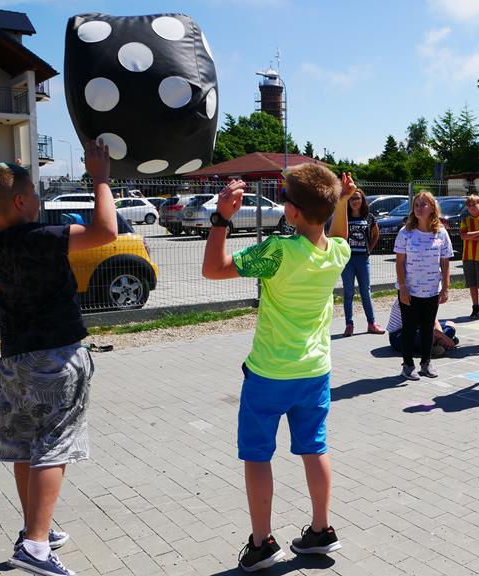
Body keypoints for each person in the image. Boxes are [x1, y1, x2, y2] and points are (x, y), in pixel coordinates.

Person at [0, 141, 118, 576]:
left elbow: (12, 208)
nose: (40, 198)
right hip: (56, 357)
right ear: (19, 201)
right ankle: (36, 547)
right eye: (34, 192)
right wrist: (101, 176)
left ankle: (34, 527)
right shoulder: (42, 239)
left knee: (24, 446)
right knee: (53, 448)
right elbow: (107, 232)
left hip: (14, 358)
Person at [201, 165, 353, 570]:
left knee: (257, 456)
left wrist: (221, 219)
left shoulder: (278, 251)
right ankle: (322, 530)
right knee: (314, 448)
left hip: (269, 373)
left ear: (293, 212)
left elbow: (213, 269)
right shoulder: (338, 253)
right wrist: (339, 203)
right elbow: (336, 233)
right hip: (315, 371)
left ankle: (262, 543)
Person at [394, 191, 453, 380]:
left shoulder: (441, 233)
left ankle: (426, 364)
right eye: (416, 204)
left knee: (428, 329)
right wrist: (403, 287)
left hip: (431, 292)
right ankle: (407, 366)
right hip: (409, 291)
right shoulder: (405, 233)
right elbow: (399, 262)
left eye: (423, 204)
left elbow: (445, 262)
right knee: (409, 329)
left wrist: (445, 288)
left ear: (432, 208)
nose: (419, 208)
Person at [341, 188, 384, 337]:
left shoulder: (369, 217)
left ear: (362, 200)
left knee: (366, 291)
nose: (355, 201)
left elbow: (376, 234)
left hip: (363, 260)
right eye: (352, 198)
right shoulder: (344, 217)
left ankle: (371, 324)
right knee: (348, 293)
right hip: (347, 260)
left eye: (357, 198)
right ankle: (349, 325)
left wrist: (368, 249)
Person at [386, 299, 459, 358]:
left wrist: (442, 336)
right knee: (430, 335)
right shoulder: (410, 298)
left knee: (451, 325)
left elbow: (433, 319)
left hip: (418, 329)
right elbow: (426, 327)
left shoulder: (427, 296)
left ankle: (437, 344)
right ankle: (430, 348)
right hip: (398, 336)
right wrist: (444, 337)